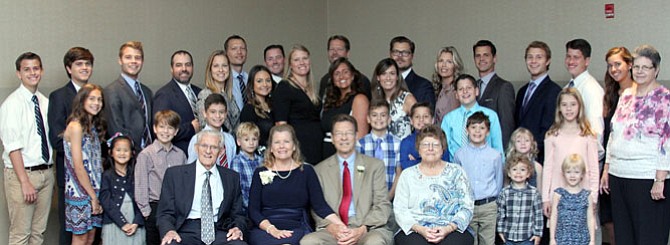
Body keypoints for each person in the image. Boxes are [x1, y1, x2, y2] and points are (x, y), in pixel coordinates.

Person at [602, 45, 670, 245]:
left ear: (656, 70)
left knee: (648, 237)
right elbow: (614, 134)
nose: (639, 71)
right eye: (636, 67)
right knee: (624, 237)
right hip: (619, 174)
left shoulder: (664, 98)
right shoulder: (626, 95)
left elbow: (667, 140)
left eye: (645, 67)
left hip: (647, 178)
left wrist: (660, 179)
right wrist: (607, 168)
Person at [302, 114, 393, 244]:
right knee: (309, 242)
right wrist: (331, 227)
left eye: (349, 133)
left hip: (368, 228)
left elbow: (382, 203)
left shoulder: (374, 166)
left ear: (356, 136)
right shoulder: (319, 170)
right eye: (339, 133)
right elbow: (317, 207)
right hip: (333, 230)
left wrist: (362, 229)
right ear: (332, 138)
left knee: (375, 242)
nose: (344, 137)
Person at [247, 124, 345, 244]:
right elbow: (253, 210)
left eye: (286, 141)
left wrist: (341, 225)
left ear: (294, 146)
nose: (282, 146)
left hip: (297, 227)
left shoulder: (307, 171)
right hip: (265, 229)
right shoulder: (260, 172)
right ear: (271, 148)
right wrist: (272, 229)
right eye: (277, 142)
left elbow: (320, 206)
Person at [0, 52, 55, 245]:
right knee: (20, 235)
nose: (32, 73)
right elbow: (12, 147)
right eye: (27, 69)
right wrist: (24, 181)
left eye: (36, 68)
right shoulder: (12, 104)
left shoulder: (45, 102)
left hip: (46, 173)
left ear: (41, 70)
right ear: (19, 74)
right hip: (22, 175)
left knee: (38, 233)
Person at [157, 130, 247, 245]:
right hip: (186, 231)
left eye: (214, 147)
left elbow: (238, 214)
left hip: (219, 230)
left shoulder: (231, 177)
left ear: (221, 151)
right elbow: (164, 213)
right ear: (196, 148)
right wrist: (169, 231)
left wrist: (238, 228)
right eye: (204, 145)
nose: (208, 151)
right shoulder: (175, 175)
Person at [394, 125, 475, 245]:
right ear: (418, 149)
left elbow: (467, 206)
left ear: (443, 148)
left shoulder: (457, 172)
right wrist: (420, 229)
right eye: (425, 144)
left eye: (436, 144)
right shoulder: (407, 175)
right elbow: (400, 209)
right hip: (415, 229)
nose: (430, 148)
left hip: (452, 228)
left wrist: (448, 228)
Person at [48, 46, 94, 245]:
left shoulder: (96, 96)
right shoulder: (59, 96)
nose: (84, 68)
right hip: (70, 178)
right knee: (70, 233)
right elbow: (56, 138)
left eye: (87, 64)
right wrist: (77, 140)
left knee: (92, 232)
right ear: (69, 68)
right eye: (79, 64)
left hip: (94, 175)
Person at [542, 88, 599, 219]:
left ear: (580, 106)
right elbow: (548, 168)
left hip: (583, 195)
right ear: (559, 108)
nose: (569, 109)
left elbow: (594, 169)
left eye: (573, 104)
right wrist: (545, 198)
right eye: (564, 105)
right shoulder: (552, 135)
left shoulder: (588, 135)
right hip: (558, 195)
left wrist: (594, 197)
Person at [134, 110, 187, 245]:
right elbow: (140, 185)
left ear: (176, 131)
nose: (166, 131)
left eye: (170, 127)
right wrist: (147, 212)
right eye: (162, 127)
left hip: (176, 209)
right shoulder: (146, 155)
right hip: (155, 208)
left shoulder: (180, 155)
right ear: (155, 129)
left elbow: (185, 184)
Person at [599, 46, 635, 245]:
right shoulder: (609, 94)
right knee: (609, 221)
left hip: (628, 167)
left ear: (629, 65)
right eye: (610, 65)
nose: (614, 69)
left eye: (618, 64)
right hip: (608, 163)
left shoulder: (639, 93)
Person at [63, 83, 106, 244]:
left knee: (90, 238)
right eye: (92, 98)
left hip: (95, 188)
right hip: (80, 191)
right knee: (80, 238)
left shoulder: (93, 126)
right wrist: (92, 197)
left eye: (100, 99)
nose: (96, 103)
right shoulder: (75, 126)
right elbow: (78, 165)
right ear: (82, 100)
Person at [454, 111, 504, 245]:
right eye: (473, 127)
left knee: (488, 242)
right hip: (467, 206)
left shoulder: (495, 155)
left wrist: (494, 202)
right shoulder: (460, 155)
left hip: (488, 206)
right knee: (470, 241)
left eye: (482, 128)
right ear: (467, 130)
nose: (477, 131)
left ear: (488, 132)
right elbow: (456, 181)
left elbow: (498, 182)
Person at [272, 44, 324, 164]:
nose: (302, 62)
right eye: (296, 59)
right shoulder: (284, 87)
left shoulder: (313, 88)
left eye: (304, 58)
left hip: (317, 147)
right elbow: (281, 125)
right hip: (299, 148)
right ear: (290, 64)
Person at [515, 41, 561, 163]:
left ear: (548, 61)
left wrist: (528, 151)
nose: (533, 61)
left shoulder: (554, 91)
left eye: (539, 57)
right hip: (519, 160)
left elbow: (549, 130)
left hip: (540, 159)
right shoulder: (521, 91)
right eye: (530, 57)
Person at [104, 41, 153, 152]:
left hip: (149, 154)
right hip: (128, 155)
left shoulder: (147, 92)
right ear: (120, 60)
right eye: (128, 57)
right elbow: (116, 129)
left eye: (137, 58)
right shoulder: (112, 91)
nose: (133, 61)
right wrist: (134, 151)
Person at [442, 74, 504, 160]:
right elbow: (444, 148)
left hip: (485, 166)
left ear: (477, 91)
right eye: (461, 89)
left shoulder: (491, 115)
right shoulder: (448, 118)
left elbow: (497, 147)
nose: (465, 91)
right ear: (456, 94)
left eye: (469, 88)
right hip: (456, 167)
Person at [153, 50, 202, 155]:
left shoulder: (200, 92)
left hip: (202, 154)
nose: (184, 69)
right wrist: (191, 128)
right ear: (171, 69)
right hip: (178, 156)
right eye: (179, 65)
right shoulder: (164, 94)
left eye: (188, 65)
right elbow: (161, 130)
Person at [100, 134, 145, 244]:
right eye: (118, 150)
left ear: (132, 153)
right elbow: (106, 200)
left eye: (126, 150)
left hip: (134, 220)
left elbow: (143, 198)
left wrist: (137, 222)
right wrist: (123, 223)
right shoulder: (106, 175)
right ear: (111, 152)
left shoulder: (137, 174)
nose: (122, 153)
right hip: (113, 221)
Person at [321, 57, 369, 156]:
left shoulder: (359, 99)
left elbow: (360, 138)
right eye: (337, 73)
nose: (341, 76)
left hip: (345, 157)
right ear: (333, 79)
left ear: (352, 76)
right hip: (326, 157)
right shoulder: (330, 101)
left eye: (345, 72)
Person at [473, 40, 515, 149]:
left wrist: (503, 157)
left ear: (494, 58)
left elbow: (507, 126)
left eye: (486, 55)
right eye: (478, 55)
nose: (481, 59)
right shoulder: (472, 87)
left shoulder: (504, 87)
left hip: (494, 152)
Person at [357, 100, 401, 198]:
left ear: (389, 119)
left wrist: (389, 196)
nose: (379, 118)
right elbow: (358, 173)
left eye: (383, 115)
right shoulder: (361, 144)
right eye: (374, 115)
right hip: (366, 197)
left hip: (390, 196)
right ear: (368, 119)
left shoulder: (397, 144)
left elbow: (398, 173)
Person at [549, 154, 596, 245]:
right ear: (563, 173)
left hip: (582, 239)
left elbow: (590, 218)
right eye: (569, 172)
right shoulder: (558, 194)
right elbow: (554, 216)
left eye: (576, 172)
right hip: (562, 238)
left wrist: (592, 240)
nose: (572, 176)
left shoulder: (587, 195)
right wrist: (552, 239)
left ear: (582, 174)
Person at [496, 155, 543, 245]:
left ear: (528, 173)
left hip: (527, 238)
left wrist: (538, 234)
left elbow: (538, 215)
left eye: (522, 170)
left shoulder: (534, 193)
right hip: (509, 237)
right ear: (509, 173)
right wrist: (500, 230)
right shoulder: (504, 193)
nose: (518, 173)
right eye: (514, 169)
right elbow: (501, 213)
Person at [563, 39, 604, 140]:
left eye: (576, 57)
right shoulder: (566, 88)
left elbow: (596, 129)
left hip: (583, 152)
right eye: (568, 56)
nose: (571, 61)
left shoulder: (592, 89)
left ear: (587, 61)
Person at [370, 58, 417, 140]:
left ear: (397, 77)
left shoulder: (407, 99)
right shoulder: (375, 99)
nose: (388, 78)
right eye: (384, 74)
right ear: (378, 77)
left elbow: (421, 125)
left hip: (403, 150)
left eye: (392, 73)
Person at [196, 50, 240, 133]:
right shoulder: (205, 94)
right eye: (216, 66)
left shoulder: (229, 96)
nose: (221, 70)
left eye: (224, 65)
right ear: (210, 70)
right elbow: (204, 126)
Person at [187, 93, 237, 165]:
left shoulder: (230, 139)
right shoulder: (197, 139)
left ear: (226, 114)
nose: (217, 116)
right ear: (204, 113)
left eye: (221, 112)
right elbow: (191, 167)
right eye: (213, 112)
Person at [399, 102, 449, 171]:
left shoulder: (440, 139)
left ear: (432, 120)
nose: (421, 120)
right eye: (417, 117)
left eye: (425, 116)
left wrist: (416, 161)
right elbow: (405, 166)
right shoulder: (406, 142)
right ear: (411, 121)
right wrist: (432, 160)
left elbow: (445, 164)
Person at [389, 36, 435, 108]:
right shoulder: (382, 83)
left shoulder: (424, 86)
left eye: (405, 53)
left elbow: (427, 116)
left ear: (412, 56)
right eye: (396, 52)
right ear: (390, 54)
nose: (400, 56)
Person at [239, 65, 274, 153]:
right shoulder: (249, 110)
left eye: (268, 80)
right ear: (252, 85)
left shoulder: (276, 106)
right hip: (260, 160)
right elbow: (247, 141)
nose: (265, 84)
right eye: (259, 81)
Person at [229, 122, 263, 209]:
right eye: (246, 140)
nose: (251, 143)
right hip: (246, 207)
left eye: (254, 139)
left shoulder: (261, 160)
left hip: (263, 204)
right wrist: (252, 207)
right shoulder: (237, 161)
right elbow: (240, 189)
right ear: (239, 142)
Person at [433, 46, 464, 125]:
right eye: (441, 61)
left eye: (449, 62)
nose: (444, 65)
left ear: (455, 65)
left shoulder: (457, 91)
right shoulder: (437, 88)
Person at [225, 35, 249, 111]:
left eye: (242, 48)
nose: (239, 52)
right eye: (234, 49)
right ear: (226, 53)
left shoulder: (250, 78)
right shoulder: (223, 80)